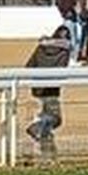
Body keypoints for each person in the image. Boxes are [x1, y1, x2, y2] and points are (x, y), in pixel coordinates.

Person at [24, 26, 72, 162]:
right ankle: (36, 128)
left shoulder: (41, 47)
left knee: (47, 125)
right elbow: (63, 70)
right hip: (52, 91)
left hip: (36, 90)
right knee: (55, 119)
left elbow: (28, 67)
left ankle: (46, 157)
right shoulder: (65, 49)